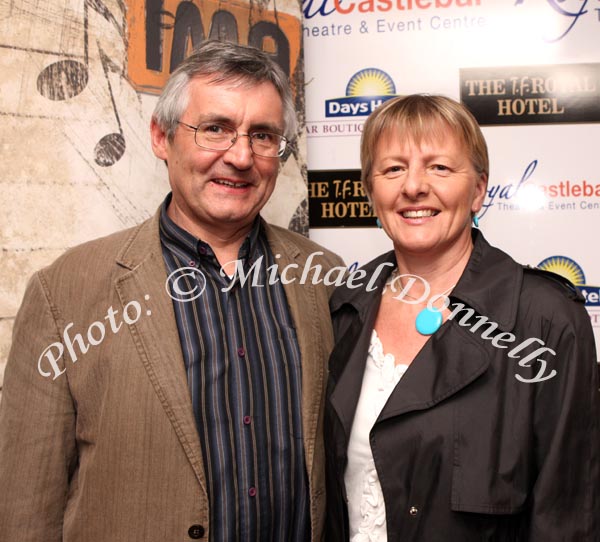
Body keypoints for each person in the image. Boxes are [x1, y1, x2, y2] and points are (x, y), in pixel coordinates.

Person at [0, 40, 343, 541]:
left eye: (263, 136)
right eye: (216, 129)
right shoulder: (65, 292)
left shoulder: (326, 279)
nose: (241, 156)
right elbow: (27, 509)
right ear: (162, 137)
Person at [324, 94, 600, 541]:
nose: (413, 186)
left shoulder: (545, 320)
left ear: (478, 190)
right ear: (371, 191)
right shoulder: (344, 307)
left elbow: (567, 515)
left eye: (439, 168)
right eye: (393, 169)